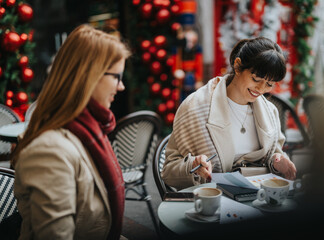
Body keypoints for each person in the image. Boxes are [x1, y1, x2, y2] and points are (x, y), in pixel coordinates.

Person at [12, 24, 131, 239]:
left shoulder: (90, 131)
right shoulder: (49, 152)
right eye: (117, 77)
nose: (121, 87)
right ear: (90, 77)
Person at [162, 36, 296, 190]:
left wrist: (277, 161)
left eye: (269, 84)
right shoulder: (195, 106)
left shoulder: (270, 111)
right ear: (238, 66)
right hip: (213, 198)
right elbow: (168, 171)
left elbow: (274, 155)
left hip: (259, 198)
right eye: (256, 79)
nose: (261, 89)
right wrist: (193, 166)